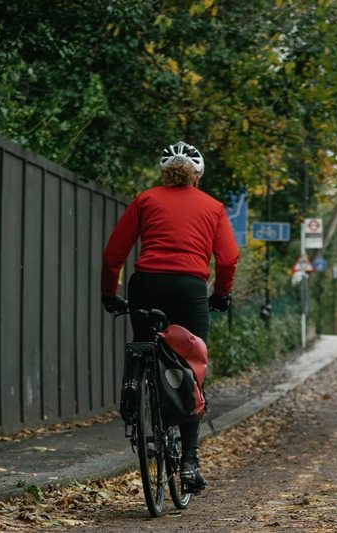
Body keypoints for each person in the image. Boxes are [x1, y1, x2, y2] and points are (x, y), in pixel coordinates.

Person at [100, 141, 238, 491]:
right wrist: (220, 294)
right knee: (192, 367)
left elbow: (114, 252)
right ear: (198, 175)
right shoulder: (213, 207)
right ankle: (189, 462)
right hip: (188, 290)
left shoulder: (145, 200)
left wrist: (109, 293)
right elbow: (228, 258)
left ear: (164, 171)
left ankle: (137, 385)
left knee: (145, 343)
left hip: (145, 285)